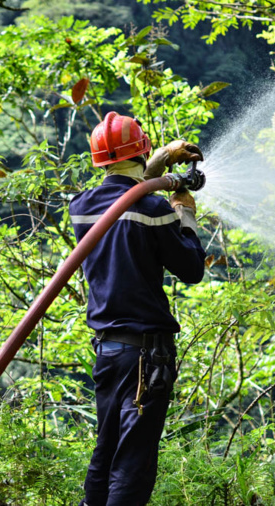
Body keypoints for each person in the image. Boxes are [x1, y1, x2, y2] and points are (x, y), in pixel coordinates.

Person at [70, 112, 206, 505]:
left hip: (108, 351)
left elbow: (121, 193)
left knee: (106, 450)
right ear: (141, 148)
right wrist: (185, 214)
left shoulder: (81, 208)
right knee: (134, 461)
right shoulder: (154, 209)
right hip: (147, 356)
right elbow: (192, 269)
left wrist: (161, 160)